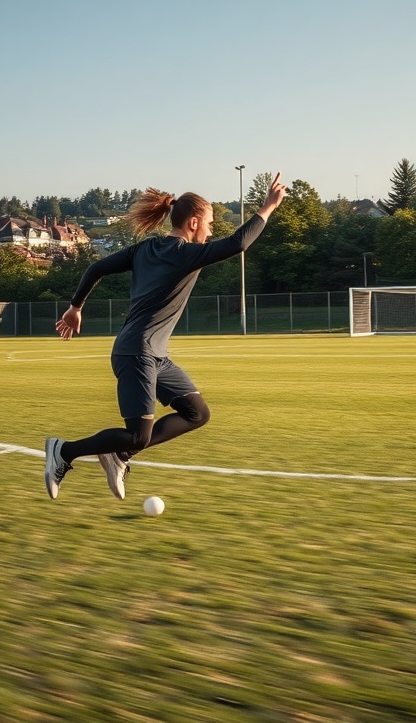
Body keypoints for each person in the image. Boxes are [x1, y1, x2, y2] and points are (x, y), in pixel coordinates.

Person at [45, 173, 288, 500]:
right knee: (138, 435)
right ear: (193, 223)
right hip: (137, 353)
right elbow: (239, 243)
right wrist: (268, 207)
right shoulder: (185, 253)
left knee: (197, 413)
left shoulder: (146, 248)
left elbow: (95, 268)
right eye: (210, 224)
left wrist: (75, 307)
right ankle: (64, 451)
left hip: (153, 354)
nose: (211, 231)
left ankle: (119, 456)